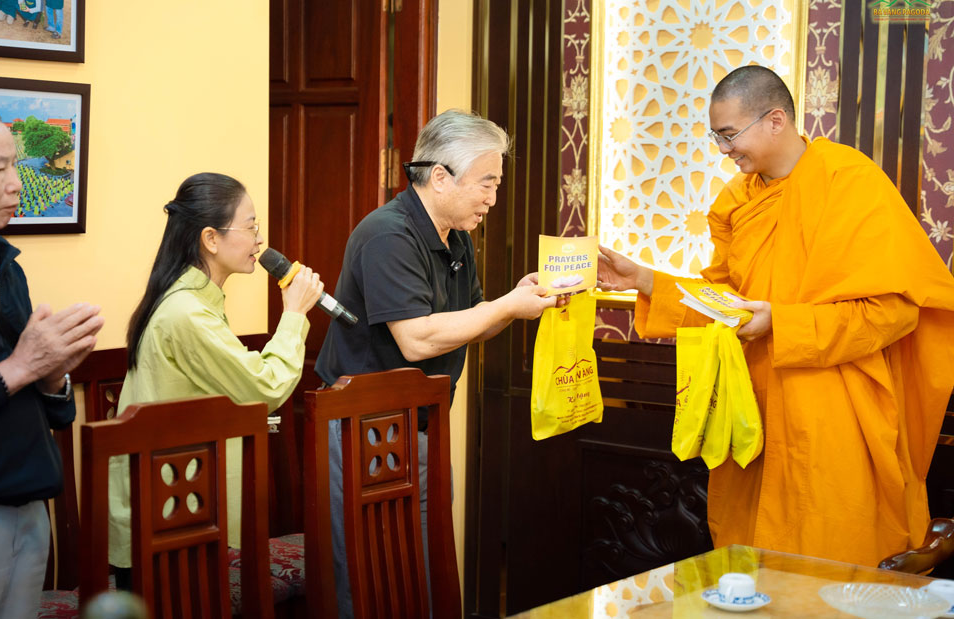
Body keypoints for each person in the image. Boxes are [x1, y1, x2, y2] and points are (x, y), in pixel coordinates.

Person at [597, 65, 954, 567]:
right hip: (751, 412)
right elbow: (721, 299)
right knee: (751, 564)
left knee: (827, 565)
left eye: (729, 134)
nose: (724, 150)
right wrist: (646, 280)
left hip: (834, 413)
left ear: (776, 119)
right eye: (716, 136)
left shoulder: (849, 183)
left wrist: (780, 323)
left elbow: (892, 313)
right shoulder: (738, 201)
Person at [315, 109, 558, 617]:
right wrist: (504, 308)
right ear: (441, 177)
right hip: (368, 429)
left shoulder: (456, 237)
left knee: (421, 567)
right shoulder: (389, 234)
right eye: (486, 183)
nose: (493, 198)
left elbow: (473, 319)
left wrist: (513, 302)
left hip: (424, 424)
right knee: (370, 576)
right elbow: (418, 339)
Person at [107, 172, 325, 586]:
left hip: (183, 505)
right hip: (169, 513)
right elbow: (265, 387)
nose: (260, 240)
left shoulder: (193, 301)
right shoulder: (186, 312)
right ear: (210, 238)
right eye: (251, 226)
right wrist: (294, 315)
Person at [0, 102, 104, 619]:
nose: (17, 182)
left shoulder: (3, 262)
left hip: (29, 495)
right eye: (0, 168)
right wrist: (20, 367)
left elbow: (52, 408)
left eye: (17, 165)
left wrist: (55, 372)